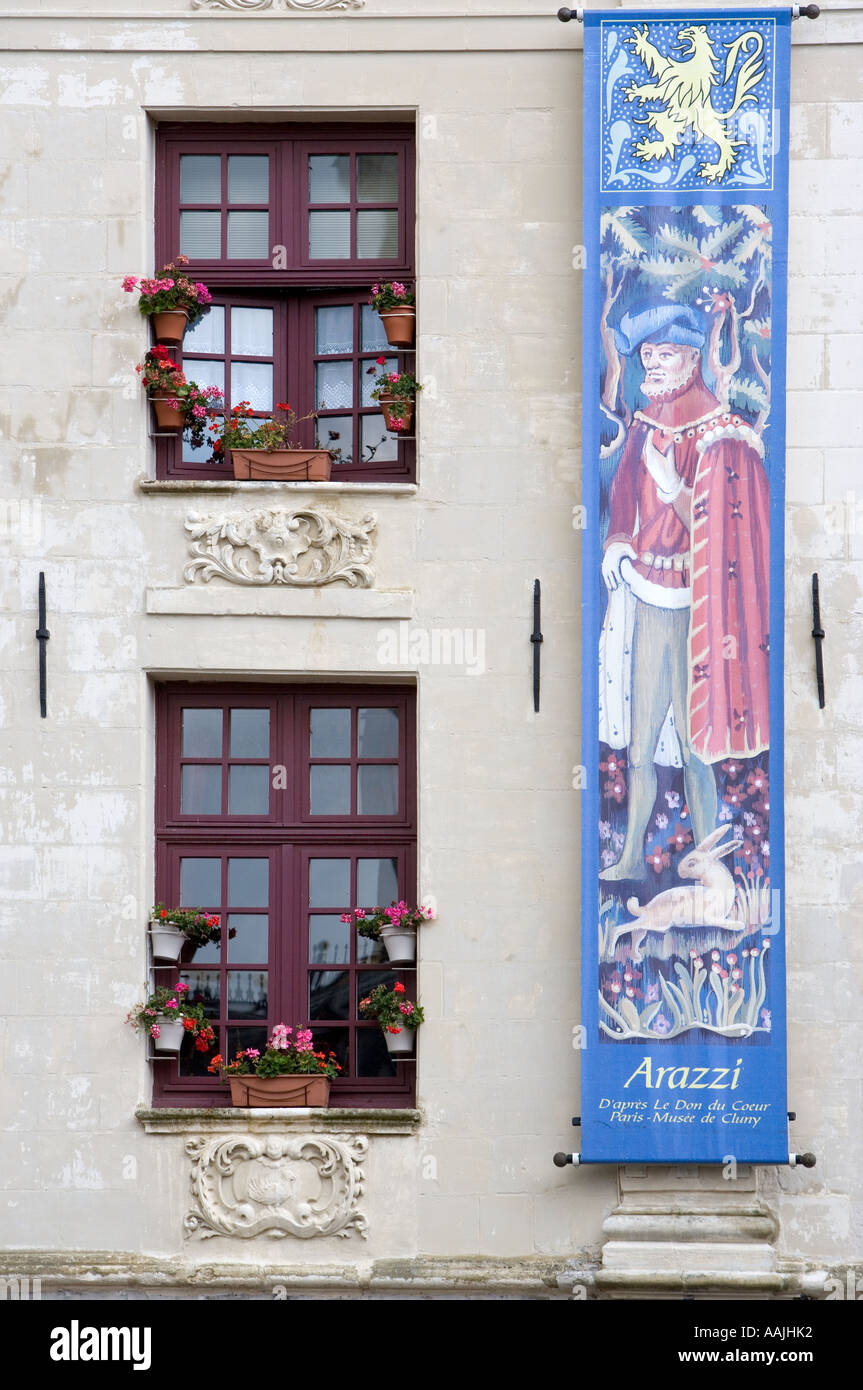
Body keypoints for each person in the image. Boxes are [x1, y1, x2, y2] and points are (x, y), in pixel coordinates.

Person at [598, 304, 770, 882]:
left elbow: (726, 529)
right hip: (648, 596)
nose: (652, 364)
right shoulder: (645, 424)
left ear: (692, 358)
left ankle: (705, 864)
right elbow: (622, 494)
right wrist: (619, 544)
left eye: (663, 354)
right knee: (641, 743)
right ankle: (628, 859)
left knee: (698, 746)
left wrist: (675, 492)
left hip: (701, 608)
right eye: (646, 355)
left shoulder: (723, 434)